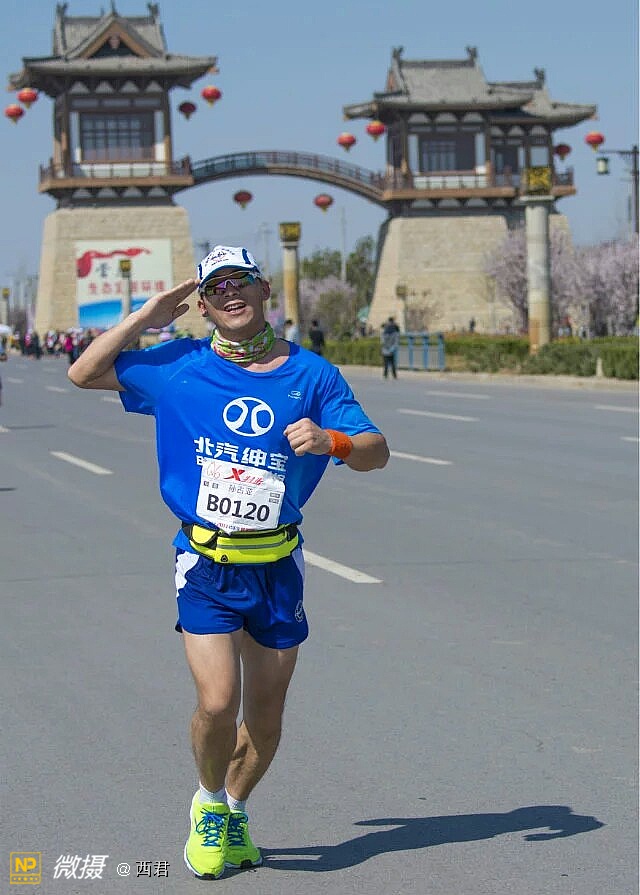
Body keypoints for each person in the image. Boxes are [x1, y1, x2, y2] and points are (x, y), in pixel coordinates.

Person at [67, 245, 389, 881]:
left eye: (241, 281)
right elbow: (83, 373)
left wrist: (333, 440)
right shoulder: (178, 366)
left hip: (277, 565)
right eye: (216, 288)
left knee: (264, 718)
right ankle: (209, 803)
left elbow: (376, 450)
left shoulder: (312, 374)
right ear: (203, 305)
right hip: (206, 562)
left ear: (265, 290)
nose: (230, 294)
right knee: (218, 703)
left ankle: (235, 807)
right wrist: (146, 316)